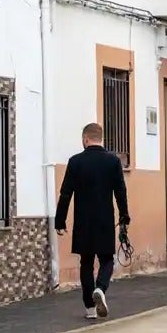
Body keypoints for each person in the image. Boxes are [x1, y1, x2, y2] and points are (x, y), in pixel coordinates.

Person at [54, 123, 130, 319]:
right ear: (100, 138)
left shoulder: (75, 162)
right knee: (107, 260)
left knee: (86, 262)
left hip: (83, 221)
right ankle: (101, 288)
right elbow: (120, 192)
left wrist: (60, 221)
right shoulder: (113, 162)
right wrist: (124, 216)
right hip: (105, 219)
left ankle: (90, 308)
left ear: (85, 139)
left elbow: (65, 193)